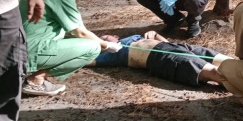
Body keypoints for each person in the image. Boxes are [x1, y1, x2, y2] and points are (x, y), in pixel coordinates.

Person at [19, 0, 123, 96]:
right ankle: (36, 79)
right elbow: (79, 32)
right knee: (92, 48)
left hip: (17, 46)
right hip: (33, 50)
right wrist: (105, 45)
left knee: (88, 41)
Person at [89, 31, 231, 86]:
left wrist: (155, 34)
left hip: (174, 46)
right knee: (212, 72)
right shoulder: (110, 55)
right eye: (99, 42)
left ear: (115, 36)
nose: (103, 41)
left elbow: (166, 42)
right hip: (159, 57)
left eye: (104, 38)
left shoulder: (132, 37)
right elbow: (87, 61)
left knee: (225, 60)